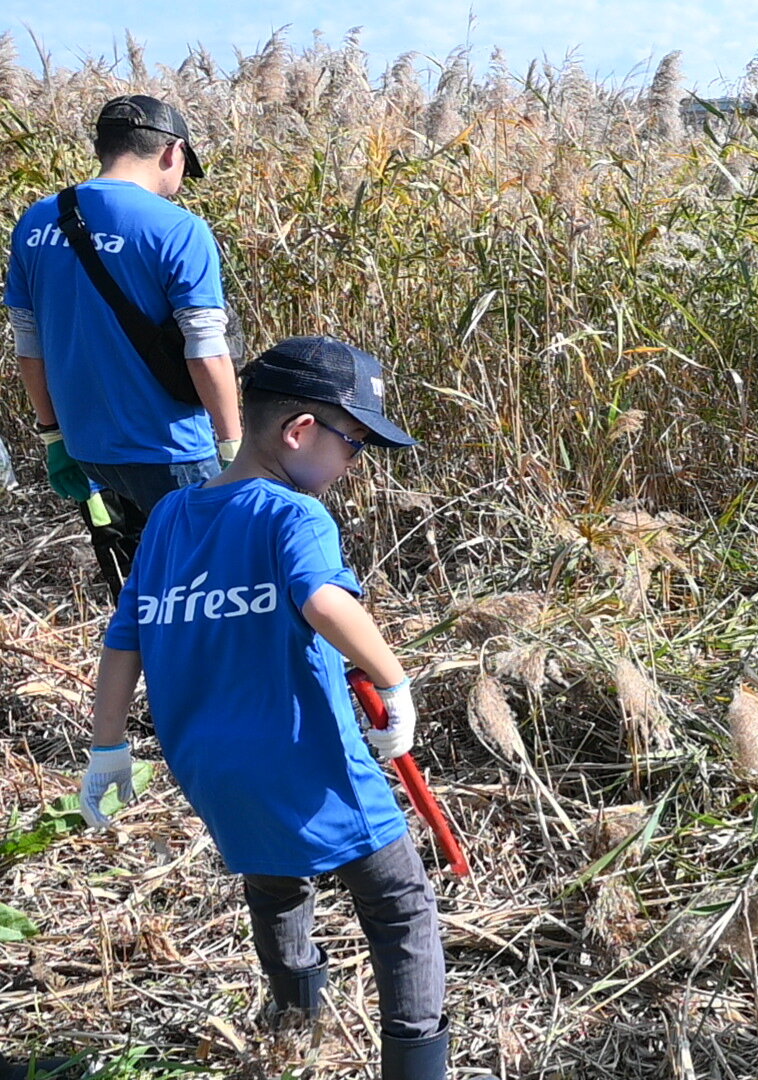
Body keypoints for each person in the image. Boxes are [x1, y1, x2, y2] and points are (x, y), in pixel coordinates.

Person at [75, 337, 460, 1079]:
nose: (353, 464)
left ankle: (293, 1028)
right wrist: (393, 677)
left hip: (211, 768)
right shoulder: (295, 514)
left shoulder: (171, 518)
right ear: (298, 432)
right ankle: (418, 1067)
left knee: (277, 884)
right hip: (306, 759)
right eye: (352, 444)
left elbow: (125, 639)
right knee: (400, 903)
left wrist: (107, 746)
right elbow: (322, 600)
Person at [6, 94, 239, 594]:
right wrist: (234, 446)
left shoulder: (36, 221)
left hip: (88, 453)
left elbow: (29, 346)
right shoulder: (178, 228)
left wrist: (53, 437)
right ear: (172, 153)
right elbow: (205, 349)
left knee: (135, 591)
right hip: (173, 451)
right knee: (209, 592)